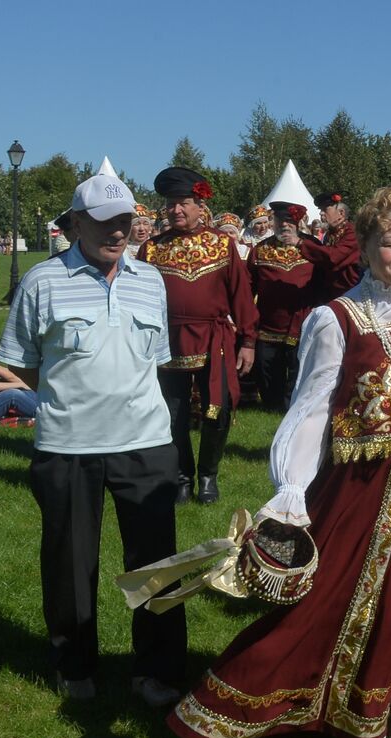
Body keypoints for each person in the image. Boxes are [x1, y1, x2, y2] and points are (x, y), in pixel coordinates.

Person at [168, 186, 391, 738]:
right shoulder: (337, 317)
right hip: (368, 481)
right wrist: (292, 488)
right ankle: (365, 729)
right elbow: (312, 408)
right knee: (372, 603)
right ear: (367, 247)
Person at [0, 174, 183, 706]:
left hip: (146, 441)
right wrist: (71, 400)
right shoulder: (41, 281)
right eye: (103, 223)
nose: (116, 232)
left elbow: (157, 359)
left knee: (156, 563)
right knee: (69, 562)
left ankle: (157, 671)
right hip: (68, 445)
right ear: (75, 223)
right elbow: (24, 365)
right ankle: (74, 665)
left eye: (124, 222)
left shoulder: (152, 280)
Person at [138, 167, 256, 505]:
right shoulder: (151, 250)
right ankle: (181, 478)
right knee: (171, 413)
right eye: (171, 204)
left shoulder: (221, 244)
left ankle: (208, 476)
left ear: (200, 205)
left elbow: (241, 294)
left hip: (214, 338)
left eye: (184, 203)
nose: (176, 210)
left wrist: (247, 340)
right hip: (167, 340)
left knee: (216, 409)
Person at [247, 200, 314, 410]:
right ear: (273, 222)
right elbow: (249, 286)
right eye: (280, 220)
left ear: (298, 223)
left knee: (298, 368)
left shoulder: (311, 247)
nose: (284, 225)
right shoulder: (260, 250)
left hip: (301, 322)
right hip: (268, 324)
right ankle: (272, 405)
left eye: (289, 221)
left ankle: (293, 404)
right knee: (266, 368)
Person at [300, 190, 362, 302]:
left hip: (350, 295)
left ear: (341, 213)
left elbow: (332, 257)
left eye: (325, 209)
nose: (321, 214)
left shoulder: (352, 232)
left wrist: (301, 243)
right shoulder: (330, 233)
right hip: (331, 293)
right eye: (321, 210)